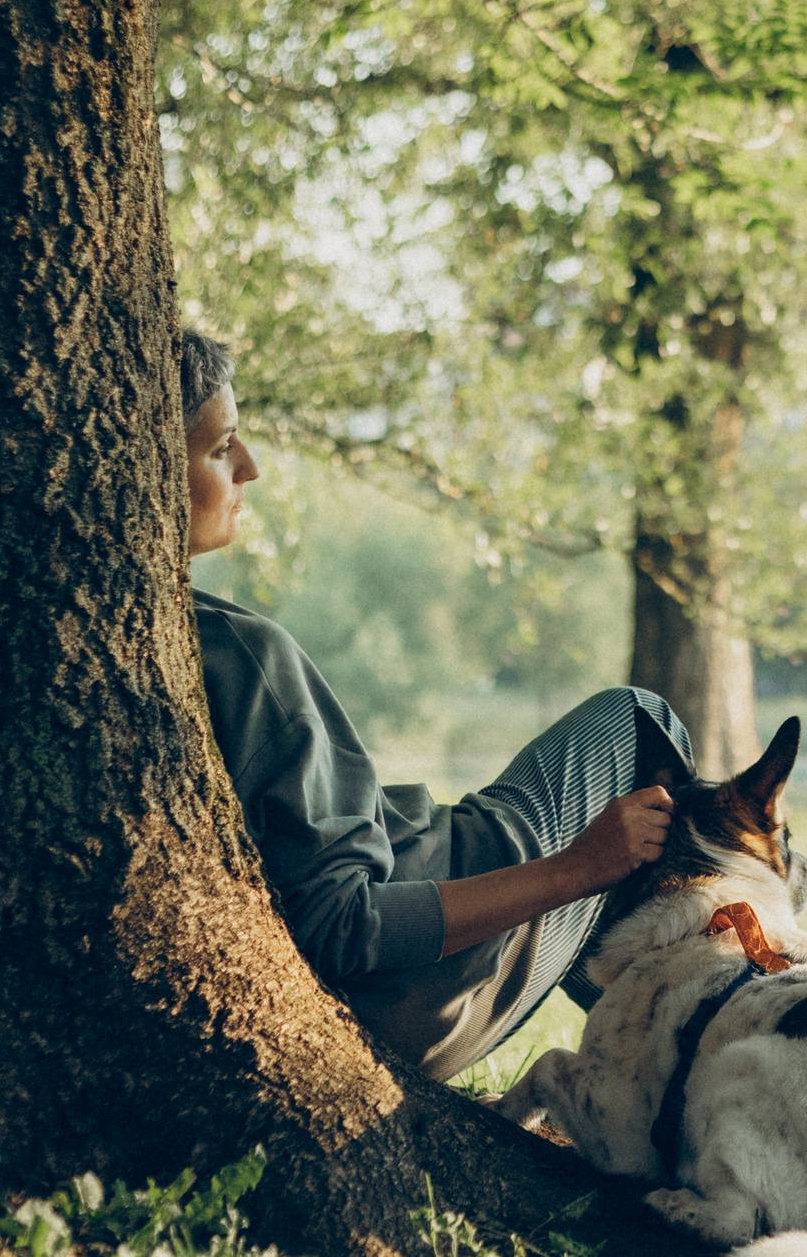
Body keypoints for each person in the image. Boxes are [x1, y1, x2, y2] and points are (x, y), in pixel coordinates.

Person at [178, 329, 685, 1080]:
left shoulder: (175, 638)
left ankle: (657, 1047)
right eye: (221, 448)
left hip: (414, 955)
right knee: (640, 720)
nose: (250, 466)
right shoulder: (240, 655)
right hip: (439, 969)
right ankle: (716, 1024)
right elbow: (343, 922)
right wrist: (576, 869)